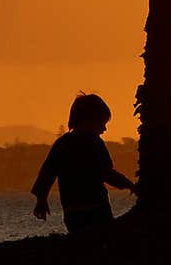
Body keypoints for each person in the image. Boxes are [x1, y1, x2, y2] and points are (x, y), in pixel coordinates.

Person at [31, 92, 136, 233]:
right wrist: (129, 184)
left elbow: (47, 173)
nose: (104, 129)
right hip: (98, 207)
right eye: (102, 123)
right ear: (89, 119)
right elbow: (107, 173)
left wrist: (41, 199)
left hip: (72, 211)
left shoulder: (62, 144)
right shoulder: (95, 143)